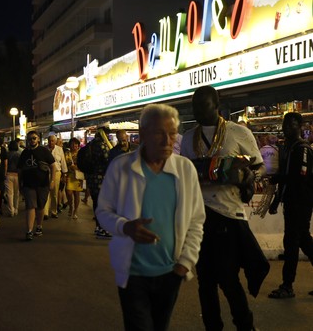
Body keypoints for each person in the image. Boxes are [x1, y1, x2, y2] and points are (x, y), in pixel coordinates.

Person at [96, 104, 205, 331]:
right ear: (143, 133)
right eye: (159, 133)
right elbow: (103, 211)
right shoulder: (121, 167)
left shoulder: (185, 169)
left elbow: (196, 220)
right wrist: (125, 227)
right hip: (133, 274)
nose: (167, 141)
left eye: (172, 133)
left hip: (170, 272)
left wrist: (185, 263)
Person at [180, 85, 269, 331]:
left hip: (228, 215)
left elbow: (260, 167)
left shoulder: (238, 133)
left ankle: (245, 325)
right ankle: (212, 326)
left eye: (203, 106)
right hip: (199, 218)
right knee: (205, 281)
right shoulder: (188, 138)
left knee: (228, 278)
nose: (197, 110)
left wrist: (248, 176)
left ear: (216, 105)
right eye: (194, 106)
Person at [268, 112, 313, 299]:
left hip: (301, 202)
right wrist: (277, 200)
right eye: (285, 125)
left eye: (292, 125)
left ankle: (287, 285)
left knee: (292, 243)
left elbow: (300, 177)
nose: (287, 128)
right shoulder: (286, 148)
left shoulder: (302, 149)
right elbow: (285, 179)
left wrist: (278, 178)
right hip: (292, 202)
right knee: (303, 240)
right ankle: (287, 285)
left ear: (300, 127)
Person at [18, 130, 56, 240]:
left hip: (43, 184)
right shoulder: (25, 153)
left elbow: (53, 166)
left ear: (38, 139)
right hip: (28, 184)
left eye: (34, 138)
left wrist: (52, 181)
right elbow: (19, 170)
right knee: (30, 206)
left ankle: (39, 226)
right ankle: (29, 230)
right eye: (29, 139)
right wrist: (20, 184)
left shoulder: (44, 151)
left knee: (40, 207)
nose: (32, 140)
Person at [84, 127, 113, 239]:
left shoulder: (90, 145)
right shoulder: (102, 145)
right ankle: (102, 228)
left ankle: (98, 227)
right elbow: (108, 160)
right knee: (103, 204)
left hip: (91, 178)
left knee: (96, 202)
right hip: (101, 178)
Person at [44, 134, 67, 218]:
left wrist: (64, 174)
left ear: (55, 141)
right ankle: (45, 212)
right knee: (46, 193)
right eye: (49, 141)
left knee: (54, 193)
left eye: (52, 141)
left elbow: (63, 162)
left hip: (57, 173)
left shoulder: (59, 149)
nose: (51, 142)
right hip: (46, 173)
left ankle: (54, 211)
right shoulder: (44, 149)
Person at [65, 137, 84, 219]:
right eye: (72, 144)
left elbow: (83, 163)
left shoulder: (81, 153)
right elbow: (65, 163)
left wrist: (77, 167)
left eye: (75, 144)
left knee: (77, 194)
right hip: (69, 175)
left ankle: (75, 211)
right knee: (68, 193)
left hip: (78, 176)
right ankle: (70, 206)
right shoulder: (67, 153)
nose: (74, 146)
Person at [4, 140, 22, 216]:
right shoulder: (19, 155)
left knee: (9, 194)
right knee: (16, 193)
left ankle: (11, 210)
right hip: (17, 175)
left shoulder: (7, 154)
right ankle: (16, 209)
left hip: (8, 174)